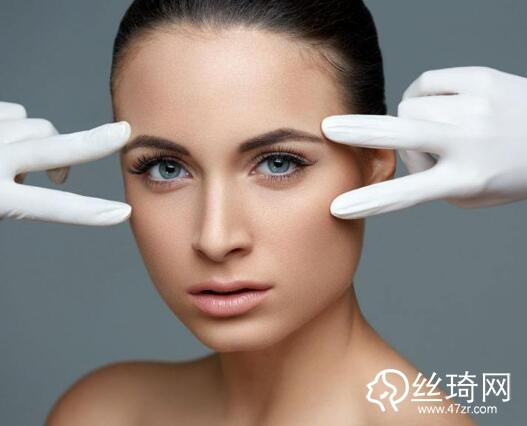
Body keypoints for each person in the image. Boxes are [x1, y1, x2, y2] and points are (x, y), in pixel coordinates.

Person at [43, 1, 477, 425]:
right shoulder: (104, 413)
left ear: (373, 164)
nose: (215, 239)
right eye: (166, 168)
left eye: (278, 163)